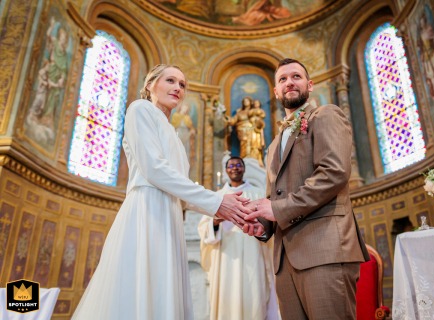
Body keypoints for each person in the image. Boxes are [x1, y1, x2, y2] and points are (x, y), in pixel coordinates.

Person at [72, 64, 262, 320]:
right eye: (170, 80)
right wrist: (216, 201)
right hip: (147, 209)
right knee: (142, 286)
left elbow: (179, 186)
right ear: (150, 85)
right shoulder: (140, 109)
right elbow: (154, 169)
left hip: (171, 214)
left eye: (182, 85)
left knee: (163, 288)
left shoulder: (173, 135)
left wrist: (225, 208)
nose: (178, 88)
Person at [245, 58, 369, 320]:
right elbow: (274, 197)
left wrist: (277, 209)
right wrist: (264, 225)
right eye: (282, 79)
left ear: (309, 85)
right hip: (285, 261)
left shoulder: (326, 115)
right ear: (276, 92)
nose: (289, 82)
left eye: (296, 77)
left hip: (325, 249)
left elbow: (333, 173)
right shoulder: (273, 146)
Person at [198, 156, 280, 320]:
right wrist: (215, 221)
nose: (235, 168)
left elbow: (271, 226)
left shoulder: (258, 193)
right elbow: (203, 229)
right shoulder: (217, 197)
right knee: (227, 301)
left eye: (238, 165)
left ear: (244, 169)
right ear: (226, 170)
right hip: (226, 259)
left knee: (255, 298)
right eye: (231, 165)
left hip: (254, 256)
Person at [248, 99, 266, 166]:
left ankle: (259, 159)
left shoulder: (261, 111)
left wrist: (257, 119)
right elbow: (249, 114)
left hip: (258, 129)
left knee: (258, 144)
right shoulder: (252, 111)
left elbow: (263, 115)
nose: (256, 104)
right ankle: (252, 158)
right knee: (252, 143)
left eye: (257, 103)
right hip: (252, 129)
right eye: (255, 103)